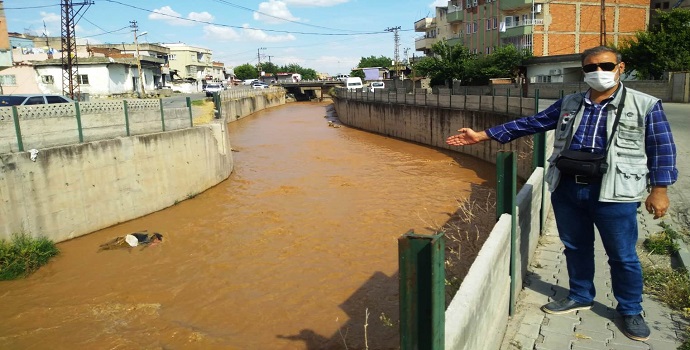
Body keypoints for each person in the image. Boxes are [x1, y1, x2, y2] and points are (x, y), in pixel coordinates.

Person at [446, 46, 677, 342]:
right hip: (568, 187)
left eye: (606, 66)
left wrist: (659, 189)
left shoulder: (645, 104)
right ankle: (580, 295)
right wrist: (484, 135)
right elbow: (532, 123)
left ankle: (630, 310)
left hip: (615, 192)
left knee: (622, 256)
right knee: (575, 246)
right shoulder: (570, 103)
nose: (599, 72)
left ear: (621, 67)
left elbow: (662, 149)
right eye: (590, 68)